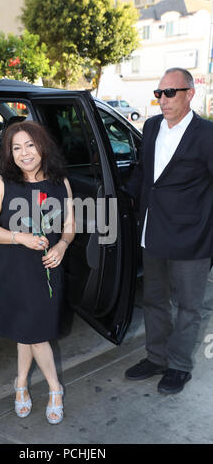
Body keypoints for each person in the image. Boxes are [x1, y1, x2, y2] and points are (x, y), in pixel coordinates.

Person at [125, 67, 213, 394]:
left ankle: (178, 365)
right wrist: (123, 200)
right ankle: (156, 357)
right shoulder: (150, 127)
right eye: (158, 93)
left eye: (170, 93)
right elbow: (143, 171)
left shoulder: (207, 134)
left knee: (189, 306)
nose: (163, 100)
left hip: (192, 238)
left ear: (190, 94)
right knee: (154, 300)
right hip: (153, 232)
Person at [0, 120, 75, 424]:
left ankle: (25, 384)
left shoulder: (61, 182)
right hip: (15, 268)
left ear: (42, 145)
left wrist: (61, 246)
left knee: (33, 331)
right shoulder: (2, 183)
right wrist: (18, 236)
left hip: (49, 267)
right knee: (30, 330)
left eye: (30, 145)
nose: (24, 153)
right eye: (16, 148)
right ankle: (52, 388)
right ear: (10, 153)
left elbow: (69, 227)